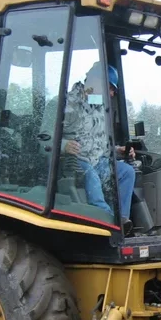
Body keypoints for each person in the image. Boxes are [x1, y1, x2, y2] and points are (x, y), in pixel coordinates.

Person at [60, 63, 136, 232]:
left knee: (126, 172)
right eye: (110, 87)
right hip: (72, 162)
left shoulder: (99, 107)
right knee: (91, 175)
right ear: (95, 81)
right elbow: (43, 137)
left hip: (97, 161)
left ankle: (122, 219)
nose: (112, 93)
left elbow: (97, 141)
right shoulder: (66, 104)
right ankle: (108, 220)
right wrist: (64, 145)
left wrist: (117, 150)